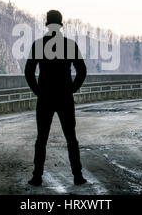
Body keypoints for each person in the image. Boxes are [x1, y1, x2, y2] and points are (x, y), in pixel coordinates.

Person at [24, 10, 87, 186]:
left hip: (45, 97)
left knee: (41, 139)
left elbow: (29, 72)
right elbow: (82, 71)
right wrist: (72, 88)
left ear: (47, 24)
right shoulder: (70, 45)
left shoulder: (38, 45)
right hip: (65, 97)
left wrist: (38, 91)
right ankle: (77, 176)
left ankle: (37, 176)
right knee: (71, 138)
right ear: (61, 25)